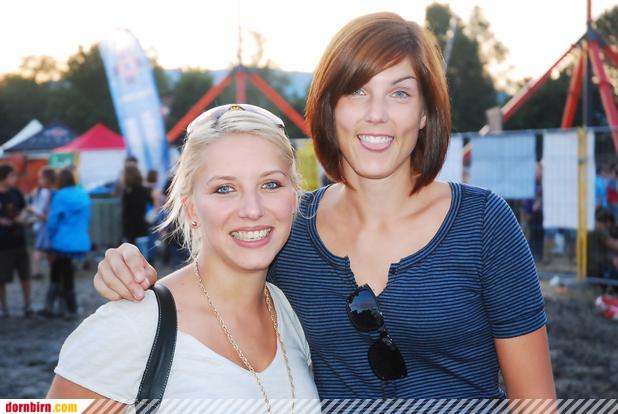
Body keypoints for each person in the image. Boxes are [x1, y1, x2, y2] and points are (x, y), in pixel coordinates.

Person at [93, 12, 555, 399]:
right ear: (329, 108)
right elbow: (211, 287)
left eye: (399, 93)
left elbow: (535, 402)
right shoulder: (289, 227)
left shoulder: (482, 224)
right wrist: (129, 273)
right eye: (357, 91)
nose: (377, 114)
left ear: (424, 113)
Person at [48, 105, 320, 409]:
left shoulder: (289, 314)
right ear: (191, 209)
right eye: (224, 188)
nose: (252, 209)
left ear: (294, 197)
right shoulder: (133, 326)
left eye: (271, 184)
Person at [46, 168, 91, 316]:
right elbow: (87, 219)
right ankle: (68, 306)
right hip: (79, 241)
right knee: (67, 271)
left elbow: (53, 221)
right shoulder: (83, 194)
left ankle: (56, 307)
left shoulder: (60, 196)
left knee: (57, 272)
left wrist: (50, 236)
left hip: (62, 241)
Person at [0, 164, 32, 317]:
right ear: (3, 177)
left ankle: (27, 305)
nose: (14, 179)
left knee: (25, 276)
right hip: (3, 245)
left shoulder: (16, 193)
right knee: (2, 279)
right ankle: (3, 307)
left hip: (19, 241)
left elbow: (24, 208)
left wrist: (22, 218)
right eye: (11, 176)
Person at [26, 166, 56, 280]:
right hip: (45, 223)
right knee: (44, 249)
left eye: (41, 178)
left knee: (41, 249)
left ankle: (37, 271)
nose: (39, 181)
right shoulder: (46, 192)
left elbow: (38, 208)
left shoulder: (43, 191)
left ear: (47, 179)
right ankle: (39, 271)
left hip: (42, 223)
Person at [120, 164, 153, 257]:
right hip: (142, 227)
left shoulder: (126, 193)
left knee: (130, 258)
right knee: (144, 256)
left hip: (129, 230)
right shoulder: (145, 190)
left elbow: (125, 213)